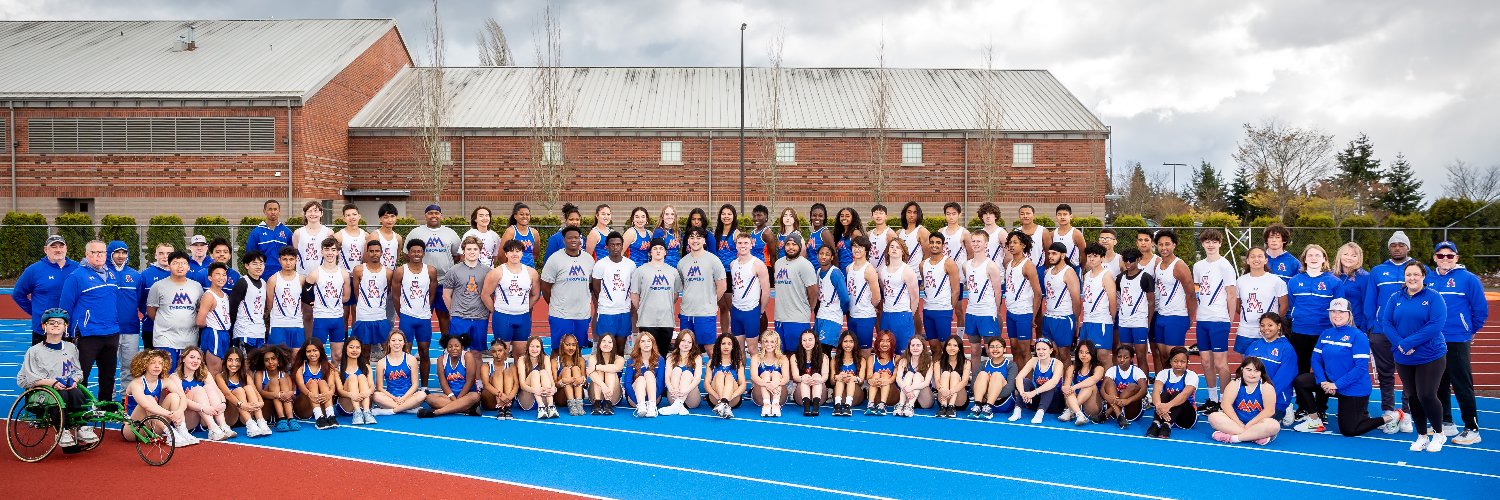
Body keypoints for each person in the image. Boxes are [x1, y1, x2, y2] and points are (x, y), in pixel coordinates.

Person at [1292, 298, 1397, 436]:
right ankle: (1314, 421)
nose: (1337, 315)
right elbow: (1316, 359)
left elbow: (1360, 368)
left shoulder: (1358, 336)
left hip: (1353, 386)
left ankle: (1392, 417)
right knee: (1301, 381)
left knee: (1349, 430)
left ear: (1349, 314)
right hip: (1330, 381)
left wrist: (1336, 385)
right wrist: (1322, 381)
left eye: (1341, 312)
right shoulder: (1326, 333)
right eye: (1333, 312)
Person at [1380, 261, 1449, 452]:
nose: (1412, 278)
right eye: (1408, 274)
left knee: (1426, 394)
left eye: (1416, 274)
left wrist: (1408, 343)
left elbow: (1436, 325)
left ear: (1423, 276)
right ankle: (1422, 436)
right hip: (1404, 356)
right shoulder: (1395, 298)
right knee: (1413, 397)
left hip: (1430, 354)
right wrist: (1401, 344)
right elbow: (1386, 323)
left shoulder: (1434, 297)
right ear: (1404, 277)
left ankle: (1438, 433)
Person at [1427, 241, 1487, 445]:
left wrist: (1468, 330)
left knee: (1462, 384)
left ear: (1456, 258)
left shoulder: (1469, 279)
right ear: (1434, 257)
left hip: (1456, 339)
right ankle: (1446, 422)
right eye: (1441, 255)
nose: (1445, 259)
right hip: (1434, 339)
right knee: (1439, 382)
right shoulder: (1429, 279)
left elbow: (1480, 310)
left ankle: (1472, 428)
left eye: (1449, 256)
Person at [15, 308, 97, 447]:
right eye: (51, 322)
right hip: (43, 392)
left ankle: (81, 427)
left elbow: (78, 372)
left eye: (60, 322)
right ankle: (62, 431)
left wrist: (75, 380)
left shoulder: (71, 348)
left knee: (77, 392)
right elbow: (26, 378)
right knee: (61, 394)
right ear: (44, 326)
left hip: (67, 389)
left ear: (65, 327)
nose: (55, 325)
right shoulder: (34, 351)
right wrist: (51, 382)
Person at [1366, 230, 1421, 432]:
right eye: (1393, 245)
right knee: (1385, 373)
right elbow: (1370, 300)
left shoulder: (1418, 269)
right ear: (1389, 248)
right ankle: (1388, 412)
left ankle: (1406, 413)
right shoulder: (1378, 271)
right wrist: (1371, 325)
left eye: (1401, 245)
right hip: (1381, 331)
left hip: (1409, 333)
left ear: (1408, 247)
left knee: (1409, 374)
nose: (1397, 248)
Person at [58, 240, 122, 401]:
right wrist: (66, 334)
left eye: (102, 252)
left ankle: (104, 406)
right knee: (81, 375)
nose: (98, 255)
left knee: (108, 375)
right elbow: (65, 307)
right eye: (94, 252)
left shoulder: (112, 275)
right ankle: (78, 409)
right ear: (87, 255)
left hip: (111, 332)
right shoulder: (76, 276)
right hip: (88, 334)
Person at [1192, 229, 1238, 415]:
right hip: (1203, 319)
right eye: (1207, 242)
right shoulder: (1198, 266)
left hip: (1219, 320)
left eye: (1214, 241)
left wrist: (1230, 320)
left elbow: (1232, 295)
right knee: (1205, 361)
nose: (1210, 245)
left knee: (1220, 363)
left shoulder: (1225, 266)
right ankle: (1212, 399)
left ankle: (1224, 400)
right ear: (1202, 244)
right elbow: (1198, 291)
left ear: (1220, 244)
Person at [405, 204, 461, 338]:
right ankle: (420, 348)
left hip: (444, 282)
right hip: (422, 283)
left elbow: (457, 255)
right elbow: (407, 254)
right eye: (430, 213)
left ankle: (447, 345)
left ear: (441, 215)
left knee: (444, 316)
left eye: (436, 213)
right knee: (422, 315)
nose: (434, 216)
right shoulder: (415, 232)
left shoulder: (450, 233)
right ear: (425, 215)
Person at [123, 349, 197, 446]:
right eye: (152, 363)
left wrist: (178, 412)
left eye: (160, 363)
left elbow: (182, 397)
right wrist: (170, 414)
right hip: (134, 429)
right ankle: (170, 432)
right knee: (149, 399)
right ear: (145, 364)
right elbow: (146, 405)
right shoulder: (136, 384)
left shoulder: (165, 381)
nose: (157, 366)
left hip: (154, 426)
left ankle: (182, 430)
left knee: (174, 396)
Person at [146, 251, 204, 370]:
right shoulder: (158, 286)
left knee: (185, 376)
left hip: (189, 340)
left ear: (188, 266)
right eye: (175, 263)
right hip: (165, 340)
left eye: (183, 263)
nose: (180, 266)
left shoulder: (196, 286)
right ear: (169, 265)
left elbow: (199, 310)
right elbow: (151, 311)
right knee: (165, 376)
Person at [541, 226, 596, 349]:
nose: (573, 240)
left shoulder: (588, 259)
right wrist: (555, 304)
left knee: (578, 350)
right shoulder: (554, 259)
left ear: (580, 240)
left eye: (576, 237)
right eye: (570, 237)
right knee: (557, 350)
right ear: (564, 240)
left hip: (582, 314)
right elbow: (545, 286)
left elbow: (591, 285)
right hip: (560, 315)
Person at [392, 240, 437, 390]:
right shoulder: (400, 271)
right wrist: (402, 314)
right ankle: (407, 386)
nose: (416, 254)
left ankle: (424, 387)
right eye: (413, 251)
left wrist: (426, 310)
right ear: (408, 253)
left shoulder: (430, 270)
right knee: (406, 353)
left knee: (424, 352)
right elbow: (396, 296)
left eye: (419, 251)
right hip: (407, 317)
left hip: (424, 318)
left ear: (423, 253)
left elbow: (432, 293)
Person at [484, 239, 540, 358]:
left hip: (523, 317)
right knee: (501, 354)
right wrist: (496, 311)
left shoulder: (531, 273)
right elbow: (485, 294)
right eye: (511, 251)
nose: (514, 254)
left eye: (518, 251)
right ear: (506, 254)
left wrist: (525, 307)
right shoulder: (497, 272)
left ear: (522, 253)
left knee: (520, 354)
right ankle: (502, 376)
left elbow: (535, 294)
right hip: (503, 317)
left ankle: (517, 377)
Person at [1151, 230, 1196, 372]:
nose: (1164, 248)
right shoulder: (1158, 265)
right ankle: (1167, 388)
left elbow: (1190, 293)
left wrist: (1190, 317)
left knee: (1176, 357)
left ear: (1174, 245)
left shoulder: (1179, 265)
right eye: (1160, 244)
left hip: (1177, 316)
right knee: (1162, 355)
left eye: (1167, 244)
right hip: (1161, 315)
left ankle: (1180, 389)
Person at [1208, 358, 1281, 445]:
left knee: (1274, 425)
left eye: (1256, 371)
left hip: (1257, 424)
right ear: (1242, 369)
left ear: (1261, 373)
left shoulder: (1266, 387)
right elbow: (1225, 405)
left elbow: (1269, 410)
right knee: (1213, 417)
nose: (1252, 374)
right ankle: (1254, 437)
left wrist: (1250, 424)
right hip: (1235, 423)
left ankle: (1234, 438)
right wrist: (1240, 424)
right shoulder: (1235, 384)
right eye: (1249, 370)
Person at [1233, 247, 1288, 357]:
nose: (1256, 259)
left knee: (1268, 362)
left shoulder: (1276, 281)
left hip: (1268, 331)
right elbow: (1237, 305)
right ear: (1247, 260)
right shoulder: (1240, 281)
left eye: (1260, 256)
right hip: (1246, 330)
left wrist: (1272, 322)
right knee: (1247, 363)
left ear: (1266, 260)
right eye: (1252, 256)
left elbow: (1284, 305)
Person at [678, 227, 727, 348]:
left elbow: (722, 286)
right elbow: (684, 285)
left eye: (698, 237)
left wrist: (710, 302)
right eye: (692, 237)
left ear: (704, 241)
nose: (695, 240)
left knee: (710, 349)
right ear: (688, 241)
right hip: (686, 313)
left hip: (705, 313)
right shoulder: (682, 263)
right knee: (686, 349)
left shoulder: (713, 260)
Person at [443, 237, 493, 352]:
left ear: (480, 251)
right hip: (460, 318)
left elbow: (490, 294)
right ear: (464, 251)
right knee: (456, 352)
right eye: (469, 249)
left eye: (475, 249)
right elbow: (446, 295)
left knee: (478, 353)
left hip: (480, 318)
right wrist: (453, 313)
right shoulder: (453, 271)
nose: (472, 252)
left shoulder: (488, 271)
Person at [172, 346, 233, 441]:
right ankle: (212, 427)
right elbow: (182, 400)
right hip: (188, 420)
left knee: (209, 387)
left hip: (204, 419)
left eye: (198, 358)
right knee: (198, 389)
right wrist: (203, 408)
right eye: (192, 357)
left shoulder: (205, 374)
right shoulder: (175, 377)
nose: (195, 361)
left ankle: (222, 425)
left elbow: (217, 391)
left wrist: (223, 404)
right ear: (183, 359)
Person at [775, 232, 822, 354]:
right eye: (788, 244)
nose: (791, 247)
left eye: (794, 244)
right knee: (781, 355)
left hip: (797, 319)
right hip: (780, 318)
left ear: (800, 246)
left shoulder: (805, 265)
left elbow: (813, 291)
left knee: (797, 354)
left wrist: (809, 308)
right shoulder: (778, 263)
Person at [1244, 312, 1297, 419]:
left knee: (1255, 425)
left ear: (1278, 326)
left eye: (1270, 325)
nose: (1265, 329)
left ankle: (1287, 409)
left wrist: (1263, 396)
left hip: (1275, 401)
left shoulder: (1286, 349)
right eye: (1262, 325)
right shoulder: (1254, 345)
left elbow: (1283, 379)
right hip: (1251, 398)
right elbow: (1244, 372)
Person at [1003, 229, 1044, 369]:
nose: (1012, 245)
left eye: (1015, 242)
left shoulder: (1028, 265)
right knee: (1014, 348)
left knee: (1025, 350)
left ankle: (1027, 383)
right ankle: (1017, 379)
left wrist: (1032, 316)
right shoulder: (1009, 264)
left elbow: (1038, 293)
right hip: (1011, 313)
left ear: (1023, 245)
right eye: (1010, 243)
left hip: (1024, 313)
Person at [632, 238, 680, 356]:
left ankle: (661, 375)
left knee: (662, 354)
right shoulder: (640, 271)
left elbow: (675, 294)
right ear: (650, 252)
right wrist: (643, 308)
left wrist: (664, 304)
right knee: (647, 354)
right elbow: (634, 295)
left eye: (661, 248)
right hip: (647, 320)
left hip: (666, 320)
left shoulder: (673, 272)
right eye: (655, 248)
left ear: (665, 252)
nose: (658, 251)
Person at [420, 334, 484, 419]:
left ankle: (438, 412)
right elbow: (443, 383)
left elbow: (470, 381)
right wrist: (454, 399)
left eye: (457, 346)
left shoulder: (467, 356)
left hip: (466, 395)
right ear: (446, 348)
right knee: (429, 398)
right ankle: (467, 410)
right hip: (449, 397)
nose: (453, 349)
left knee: (475, 396)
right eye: (450, 346)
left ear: (462, 347)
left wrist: (460, 398)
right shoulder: (441, 359)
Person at [305, 238, 351, 353]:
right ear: (322, 251)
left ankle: (335, 371)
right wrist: (315, 303)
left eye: (333, 249)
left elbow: (346, 297)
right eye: (326, 249)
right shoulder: (315, 273)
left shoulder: (343, 273)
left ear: (337, 252)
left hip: (337, 319)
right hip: (321, 319)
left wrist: (332, 300)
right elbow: (306, 293)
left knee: (338, 356)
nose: (330, 253)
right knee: (318, 354)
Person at [730, 232, 772, 357]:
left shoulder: (758, 264)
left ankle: (756, 375)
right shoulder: (733, 264)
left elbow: (766, 291)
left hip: (751, 311)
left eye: (746, 243)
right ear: (736, 245)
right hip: (736, 310)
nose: (743, 246)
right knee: (738, 349)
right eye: (740, 243)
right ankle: (740, 375)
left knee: (753, 349)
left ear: (751, 244)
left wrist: (761, 310)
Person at [108, 240, 143, 392]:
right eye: (117, 252)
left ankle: (126, 399)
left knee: (130, 367)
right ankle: (108, 400)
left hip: (131, 329)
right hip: (109, 329)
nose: (121, 256)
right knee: (108, 367)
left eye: (124, 252)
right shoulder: (103, 273)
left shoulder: (135, 275)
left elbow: (141, 300)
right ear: (111, 253)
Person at [214, 347, 271, 437]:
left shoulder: (245, 376)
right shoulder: (220, 376)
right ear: (225, 361)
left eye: (237, 360)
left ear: (241, 362)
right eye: (230, 360)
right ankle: (250, 424)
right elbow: (227, 394)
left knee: (248, 388)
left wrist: (261, 402)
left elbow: (255, 391)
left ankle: (261, 421)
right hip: (230, 418)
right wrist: (241, 405)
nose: (234, 364)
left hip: (245, 415)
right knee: (239, 390)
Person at [591, 231, 636, 344]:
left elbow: (633, 288)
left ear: (622, 245)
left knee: (620, 347)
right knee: (606, 347)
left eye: (618, 244)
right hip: (607, 311)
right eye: (612, 245)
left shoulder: (630, 265)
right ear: (607, 246)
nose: (615, 247)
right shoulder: (600, 265)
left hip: (624, 311)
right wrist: (606, 302)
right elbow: (596, 289)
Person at [920, 231, 962, 353]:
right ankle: (937, 370)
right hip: (928, 309)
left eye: (938, 243)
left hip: (943, 310)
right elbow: (927, 284)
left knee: (946, 345)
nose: (934, 245)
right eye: (932, 242)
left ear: (943, 245)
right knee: (933, 345)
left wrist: (949, 308)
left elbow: (956, 290)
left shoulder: (949, 263)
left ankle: (950, 370)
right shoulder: (923, 264)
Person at [1114, 248, 1155, 373]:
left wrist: (1148, 322)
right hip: (1124, 323)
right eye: (1125, 260)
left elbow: (1151, 301)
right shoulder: (1120, 278)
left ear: (1138, 260)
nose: (1127, 263)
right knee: (1125, 357)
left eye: (1131, 260)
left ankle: (1144, 386)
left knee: (1141, 356)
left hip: (1139, 323)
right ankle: (1126, 384)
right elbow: (1119, 298)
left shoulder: (1145, 277)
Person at [350, 240, 393, 355]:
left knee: (388, 349)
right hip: (363, 316)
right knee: (364, 351)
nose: (374, 253)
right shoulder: (358, 270)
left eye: (377, 251)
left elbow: (388, 290)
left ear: (382, 252)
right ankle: (366, 373)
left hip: (380, 315)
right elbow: (356, 292)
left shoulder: (388, 272)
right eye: (371, 251)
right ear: (367, 252)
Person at [1040, 242, 1081, 363]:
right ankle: (1054, 380)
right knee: (1049, 352)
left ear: (1063, 255)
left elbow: (1076, 300)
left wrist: (1076, 320)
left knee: (1064, 354)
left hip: (1063, 318)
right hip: (1048, 317)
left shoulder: (1069, 272)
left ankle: (1066, 381)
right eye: (1049, 254)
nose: (1050, 256)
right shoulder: (1047, 272)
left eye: (1054, 253)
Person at [1078, 243, 1117, 366]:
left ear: (1102, 258)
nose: (1092, 259)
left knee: (1102, 355)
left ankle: (1109, 383)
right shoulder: (1086, 275)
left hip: (1102, 321)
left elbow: (1113, 300)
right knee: (1087, 355)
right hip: (1088, 321)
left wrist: (1111, 318)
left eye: (1095, 256)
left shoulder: (1106, 275)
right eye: (1089, 256)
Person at [1147, 347, 1199, 439]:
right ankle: (1156, 423)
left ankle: (1167, 425)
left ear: (1187, 363)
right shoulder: (1163, 373)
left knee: (1177, 394)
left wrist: (1167, 406)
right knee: (1164, 394)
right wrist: (1159, 406)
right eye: (1175, 361)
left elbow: (1184, 395)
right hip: (1165, 412)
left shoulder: (1192, 376)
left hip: (1186, 416)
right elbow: (1156, 391)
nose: (1179, 364)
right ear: (1170, 362)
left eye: (1182, 362)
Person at [879, 238, 919, 353]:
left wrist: (908, 315)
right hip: (887, 315)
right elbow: (884, 289)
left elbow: (915, 298)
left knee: (903, 351)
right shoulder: (882, 271)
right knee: (886, 350)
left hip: (902, 315)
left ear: (903, 251)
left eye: (898, 247)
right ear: (887, 251)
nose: (894, 249)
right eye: (892, 247)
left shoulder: (907, 271)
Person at [193, 262, 232, 374]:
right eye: (217, 274)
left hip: (224, 333)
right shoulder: (209, 296)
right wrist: (212, 326)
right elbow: (200, 321)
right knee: (214, 371)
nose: (221, 277)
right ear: (210, 277)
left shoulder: (225, 295)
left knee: (223, 370)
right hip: (214, 334)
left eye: (224, 274)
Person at [373, 331, 424, 415]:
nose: (397, 343)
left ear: (404, 342)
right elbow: (380, 388)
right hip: (391, 398)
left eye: (400, 340)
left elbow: (415, 385)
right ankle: (407, 408)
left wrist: (404, 398)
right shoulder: (381, 362)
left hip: (408, 397)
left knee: (422, 394)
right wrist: (394, 398)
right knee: (376, 396)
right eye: (393, 340)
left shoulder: (411, 359)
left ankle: (391, 411)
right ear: (389, 343)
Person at [846, 236, 882, 353]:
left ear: (866, 250)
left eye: (860, 247)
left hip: (865, 316)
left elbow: (876, 297)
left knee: (865, 350)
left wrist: (866, 306)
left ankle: (866, 371)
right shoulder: (848, 268)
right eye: (854, 246)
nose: (857, 249)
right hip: (852, 315)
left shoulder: (869, 270)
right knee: (853, 349)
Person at [1015, 338, 1063, 424]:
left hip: (1054, 402)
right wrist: (1022, 393)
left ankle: (1040, 414)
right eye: (1038, 349)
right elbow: (1019, 377)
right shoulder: (1033, 361)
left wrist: (1033, 393)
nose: (1041, 352)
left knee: (1049, 385)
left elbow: (1054, 382)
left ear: (1051, 350)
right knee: (1025, 381)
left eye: (1044, 349)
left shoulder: (1057, 363)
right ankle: (1017, 410)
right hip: (1038, 400)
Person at [250, 344, 298, 432]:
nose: (271, 362)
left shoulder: (285, 374)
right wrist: (278, 394)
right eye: (267, 360)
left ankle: (290, 418)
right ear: (263, 363)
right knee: (274, 381)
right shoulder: (259, 374)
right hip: (267, 409)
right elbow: (259, 392)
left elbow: (291, 393)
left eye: (273, 359)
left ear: (278, 360)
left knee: (283, 380)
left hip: (283, 406)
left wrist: (288, 394)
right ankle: (281, 418)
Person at [292, 341, 339, 429]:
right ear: (304, 353)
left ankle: (330, 415)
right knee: (312, 383)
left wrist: (330, 392)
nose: (312, 354)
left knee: (323, 382)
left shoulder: (328, 366)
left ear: (320, 351)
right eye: (309, 351)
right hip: (304, 407)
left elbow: (331, 384)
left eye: (315, 350)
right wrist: (310, 394)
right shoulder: (301, 367)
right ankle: (318, 418)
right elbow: (301, 385)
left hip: (322, 405)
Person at [265, 247, 305, 349]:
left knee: (296, 360)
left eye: (291, 259)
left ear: (296, 260)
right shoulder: (273, 280)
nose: (288, 263)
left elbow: (304, 302)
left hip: (297, 325)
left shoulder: (301, 279)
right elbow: (269, 304)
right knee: (278, 360)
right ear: (279, 260)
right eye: (285, 259)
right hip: (278, 325)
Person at [970, 337, 1018, 420]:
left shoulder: (1011, 365)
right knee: (982, 374)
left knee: (996, 375)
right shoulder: (983, 364)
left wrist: (991, 396)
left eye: (998, 346)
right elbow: (973, 384)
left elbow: (1010, 387)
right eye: (992, 347)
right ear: (988, 349)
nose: (995, 349)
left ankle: (989, 407)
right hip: (983, 403)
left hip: (1003, 402)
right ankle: (977, 406)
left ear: (1004, 349)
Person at [229, 251, 269, 350]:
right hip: (244, 332)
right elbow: (232, 307)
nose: (259, 267)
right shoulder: (242, 282)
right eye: (255, 264)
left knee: (257, 363)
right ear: (247, 266)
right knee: (245, 363)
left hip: (259, 332)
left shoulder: (264, 283)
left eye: (261, 264)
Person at [1101, 345, 1148, 429]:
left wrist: (1127, 400)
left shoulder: (1137, 371)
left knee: (1133, 386)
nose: (1122, 360)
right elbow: (1102, 389)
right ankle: (1120, 416)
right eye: (1119, 357)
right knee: (1108, 383)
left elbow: (1144, 390)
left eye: (1125, 357)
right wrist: (1107, 397)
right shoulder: (1112, 370)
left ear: (1131, 358)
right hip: (1114, 413)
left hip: (1132, 410)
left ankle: (1107, 413)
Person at [1061, 339, 1105, 426]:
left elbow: (1093, 379)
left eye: (1087, 352)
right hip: (1074, 401)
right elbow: (1066, 385)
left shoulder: (1099, 368)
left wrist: (1074, 387)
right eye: (1081, 352)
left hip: (1091, 406)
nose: (1083, 355)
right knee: (1068, 389)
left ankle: (1070, 411)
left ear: (1092, 353)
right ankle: (1079, 414)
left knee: (1090, 385)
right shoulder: (1072, 368)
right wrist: (1065, 388)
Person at [138, 242, 174, 350]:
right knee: (151, 362)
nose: (165, 256)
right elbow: (141, 300)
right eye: (161, 253)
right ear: (155, 256)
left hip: (174, 329)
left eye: (168, 253)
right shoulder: (146, 274)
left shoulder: (179, 273)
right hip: (151, 327)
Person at [623, 331, 666, 417]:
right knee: (641, 378)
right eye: (642, 341)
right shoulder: (631, 360)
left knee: (649, 373)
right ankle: (641, 406)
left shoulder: (660, 360)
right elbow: (627, 383)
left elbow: (661, 383)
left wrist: (651, 400)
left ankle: (652, 407)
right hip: (635, 398)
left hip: (654, 397)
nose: (646, 344)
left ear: (652, 343)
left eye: (648, 341)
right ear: (638, 344)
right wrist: (637, 400)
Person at [813, 245, 849, 349]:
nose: (823, 256)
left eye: (827, 254)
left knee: (825, 350)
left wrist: (839, 311)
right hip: (821, 315)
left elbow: (845, 299)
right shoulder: (819, 271)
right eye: (821, 254)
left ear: (832, 257)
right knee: (817, 349)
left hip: (832, 317)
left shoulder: (835, 273)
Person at [335, 337, 377, 425]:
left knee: (361, 376)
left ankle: (366, 412)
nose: (354, 350)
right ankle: (357, 413)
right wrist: (351, 395)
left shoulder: (366, 367)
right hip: (346, 406)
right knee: (353, 377)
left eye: (357, 347)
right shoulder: (338, 369)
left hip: (363, 402)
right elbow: (339, 391)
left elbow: (372, 386)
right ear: (345, 348)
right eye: (351, 347)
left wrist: (367, 392)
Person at [659, 333, 704, 415]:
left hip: (691, 397)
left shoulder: (697, 357)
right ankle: (677, 405)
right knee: (676, 370)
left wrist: (685, 392)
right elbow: (667, 378)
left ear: (693, 344)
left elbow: (697, 379)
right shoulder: (670, 357)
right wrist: (672, 390)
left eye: (689, 342)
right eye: (683, 340)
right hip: (674, 396)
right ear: (678, 341)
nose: (686, 344)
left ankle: (678, 404)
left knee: (687, 373)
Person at [245, 200, 291, 277]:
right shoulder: (256, 233)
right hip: (262, 275)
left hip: (282, 274)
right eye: (270, 209)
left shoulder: (287, 232)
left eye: (275, 209)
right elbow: (250, 256)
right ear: (264, 211)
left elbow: (292, 255)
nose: (273, 212)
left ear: (279, 211)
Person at [713, 204, 741, 331]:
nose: (726, 216)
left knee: (732, 307)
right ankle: (725, 334)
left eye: (729, 214)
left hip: (731, 274)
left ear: (734, 216)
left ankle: (737, 336)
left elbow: (742, 253)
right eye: (723, 214)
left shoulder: (736, 233)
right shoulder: (717, 232)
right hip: (718, 274)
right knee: (722, 307)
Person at [705, 333, 745, 418]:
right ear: (719, 346)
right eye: (723, 343)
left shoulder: (738, 363)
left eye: (729, 344)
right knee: (719, 373)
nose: (726, 346)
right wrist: (718, 397)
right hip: (715, 399)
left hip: (733, 399)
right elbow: (706, 384)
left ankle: (724, 403)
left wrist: (729, 398)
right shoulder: (711, 362)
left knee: (729, 375)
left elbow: (743, 385)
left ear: (733, 346)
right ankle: (723, 404)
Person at [792, 330, 830, 416]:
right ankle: (807, 408)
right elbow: (795, 376)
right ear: (801, 342)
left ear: (815, 340)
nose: (807, 343)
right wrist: (803, 378)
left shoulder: (823, 356)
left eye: (810, 339)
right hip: (801, 394)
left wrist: (818, 380)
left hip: (819, 391)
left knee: (817, 375)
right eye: (804, 340)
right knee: (805, 376)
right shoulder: (794, 357)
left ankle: (816, 408)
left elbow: (825, 376)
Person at [752, 333, 790, 417]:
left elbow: (786, 378)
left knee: (776, 373)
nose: (769, 344)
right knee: (765, 373)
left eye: (772, 342)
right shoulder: (756, 357)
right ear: (762, 343)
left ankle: (776, 404)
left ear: (777, 343)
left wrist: (776, 383)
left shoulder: (783, 358)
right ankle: (766, 404)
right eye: (766, 341)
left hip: (779, 396)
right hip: (760, 396)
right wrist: (766, 384)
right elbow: (754, 377)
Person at [829, 331, 865, 416]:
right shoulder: (834, 360)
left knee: (851, 380)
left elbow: (862, 381)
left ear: (855, 343)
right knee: (840, 380)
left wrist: (854, 378)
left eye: (851, 341)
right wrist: (837, 377)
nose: (848, 345)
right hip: (840, 394)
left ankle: (848, 406)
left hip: (855, 395)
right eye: (845, 341)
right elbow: (831, 382)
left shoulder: (861, 360)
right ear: (841, 343)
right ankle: (837, 406)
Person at [479, 340, 518, 419]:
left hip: (508, 400)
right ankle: (501, 408)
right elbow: (486, 385)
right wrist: (501, 395)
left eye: (500, 351)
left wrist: (508, 398)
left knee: (507, 371)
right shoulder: (486, 366)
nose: (497, 354)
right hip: (490, 401)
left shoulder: (511, 366)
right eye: (494, 351)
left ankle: (506, 408)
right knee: (497, 373)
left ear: (505, 351)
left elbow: (516, 385)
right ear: (491, 353)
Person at [587, 334, 625, 416]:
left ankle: (608, 403)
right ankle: (597, 403)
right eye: (603, 341)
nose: (606, 344)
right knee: (598, 372)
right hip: (595, 395)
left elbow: (615, 368)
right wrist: (603, 386)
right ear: (599, 343)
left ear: (613, 345)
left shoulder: (619, 359)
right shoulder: (593, 358)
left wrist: (596, 366)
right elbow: (591, 373)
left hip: (613, 395)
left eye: (609, 342)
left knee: (609, 371)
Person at [292, 201, 333, 277]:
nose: (313, 214)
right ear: (305, 214)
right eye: (309, 211)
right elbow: (296, 252)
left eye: (316, 211)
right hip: (302, 275)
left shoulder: (329, 233)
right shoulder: (298, 233)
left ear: (321, 213)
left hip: (323, 275)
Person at [863, 331, 898, 415]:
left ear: (892, 343)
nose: (885, 343)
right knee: (875, 374)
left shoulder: (896, 358)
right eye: (882, 340)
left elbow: (894, 377)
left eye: (888, 341)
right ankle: (870, 404)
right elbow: (869, 376)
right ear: (878, 342)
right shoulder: (872, 358)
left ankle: (883, 404)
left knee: (885, 374)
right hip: (876, 394)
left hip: (892, 394)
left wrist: (885, 380)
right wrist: (871, 380)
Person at [553, 335, 590, 416]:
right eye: (568, 345)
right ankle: (571, 405)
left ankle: (579, 405)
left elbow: (586, 385)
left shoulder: (581, 361)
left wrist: (582, 380)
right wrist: (563, 381)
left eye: (573, 345)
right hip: (561, 398)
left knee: (576, 368)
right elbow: (553, 386)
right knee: (566, 370)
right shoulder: (555, 361)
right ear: (562, 345)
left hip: (578, 396)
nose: (571, 348)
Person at [926, 337, 962, 418]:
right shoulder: (938, 362)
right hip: (943, 397)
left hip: (959, 399)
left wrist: (952, 391)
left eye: (955, 345)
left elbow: (965, 381)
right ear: (945, 347)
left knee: (954, 374)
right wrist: (942, 390)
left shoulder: (966, 362)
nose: (952, 348)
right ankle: (944, 406)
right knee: (945, 373)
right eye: (949, 345)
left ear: (959, 348)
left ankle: (951, 406)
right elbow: (937, 380)